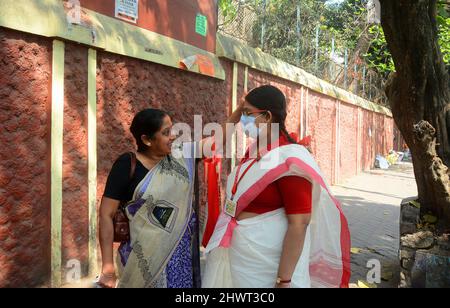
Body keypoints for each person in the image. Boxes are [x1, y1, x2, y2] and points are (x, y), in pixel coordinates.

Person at [202, 85, 351, 288]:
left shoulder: (290, 160)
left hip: (268, 268)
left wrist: (284, 279)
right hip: (242, 258)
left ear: (267, 117)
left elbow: (299, 223)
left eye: (248, 114)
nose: (243, 120)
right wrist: (239, 112)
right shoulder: (257, 149)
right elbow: (215, 146)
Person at [97, 108, 200, 288]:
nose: (173, 136)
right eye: (166, 132)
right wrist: (107, 268)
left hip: (178, 256)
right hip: (141, 259)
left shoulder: (178, 158)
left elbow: (215, 143)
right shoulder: (126, 165)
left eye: (172, 129)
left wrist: (238, 112)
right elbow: (106, 214)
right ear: (146, 140)